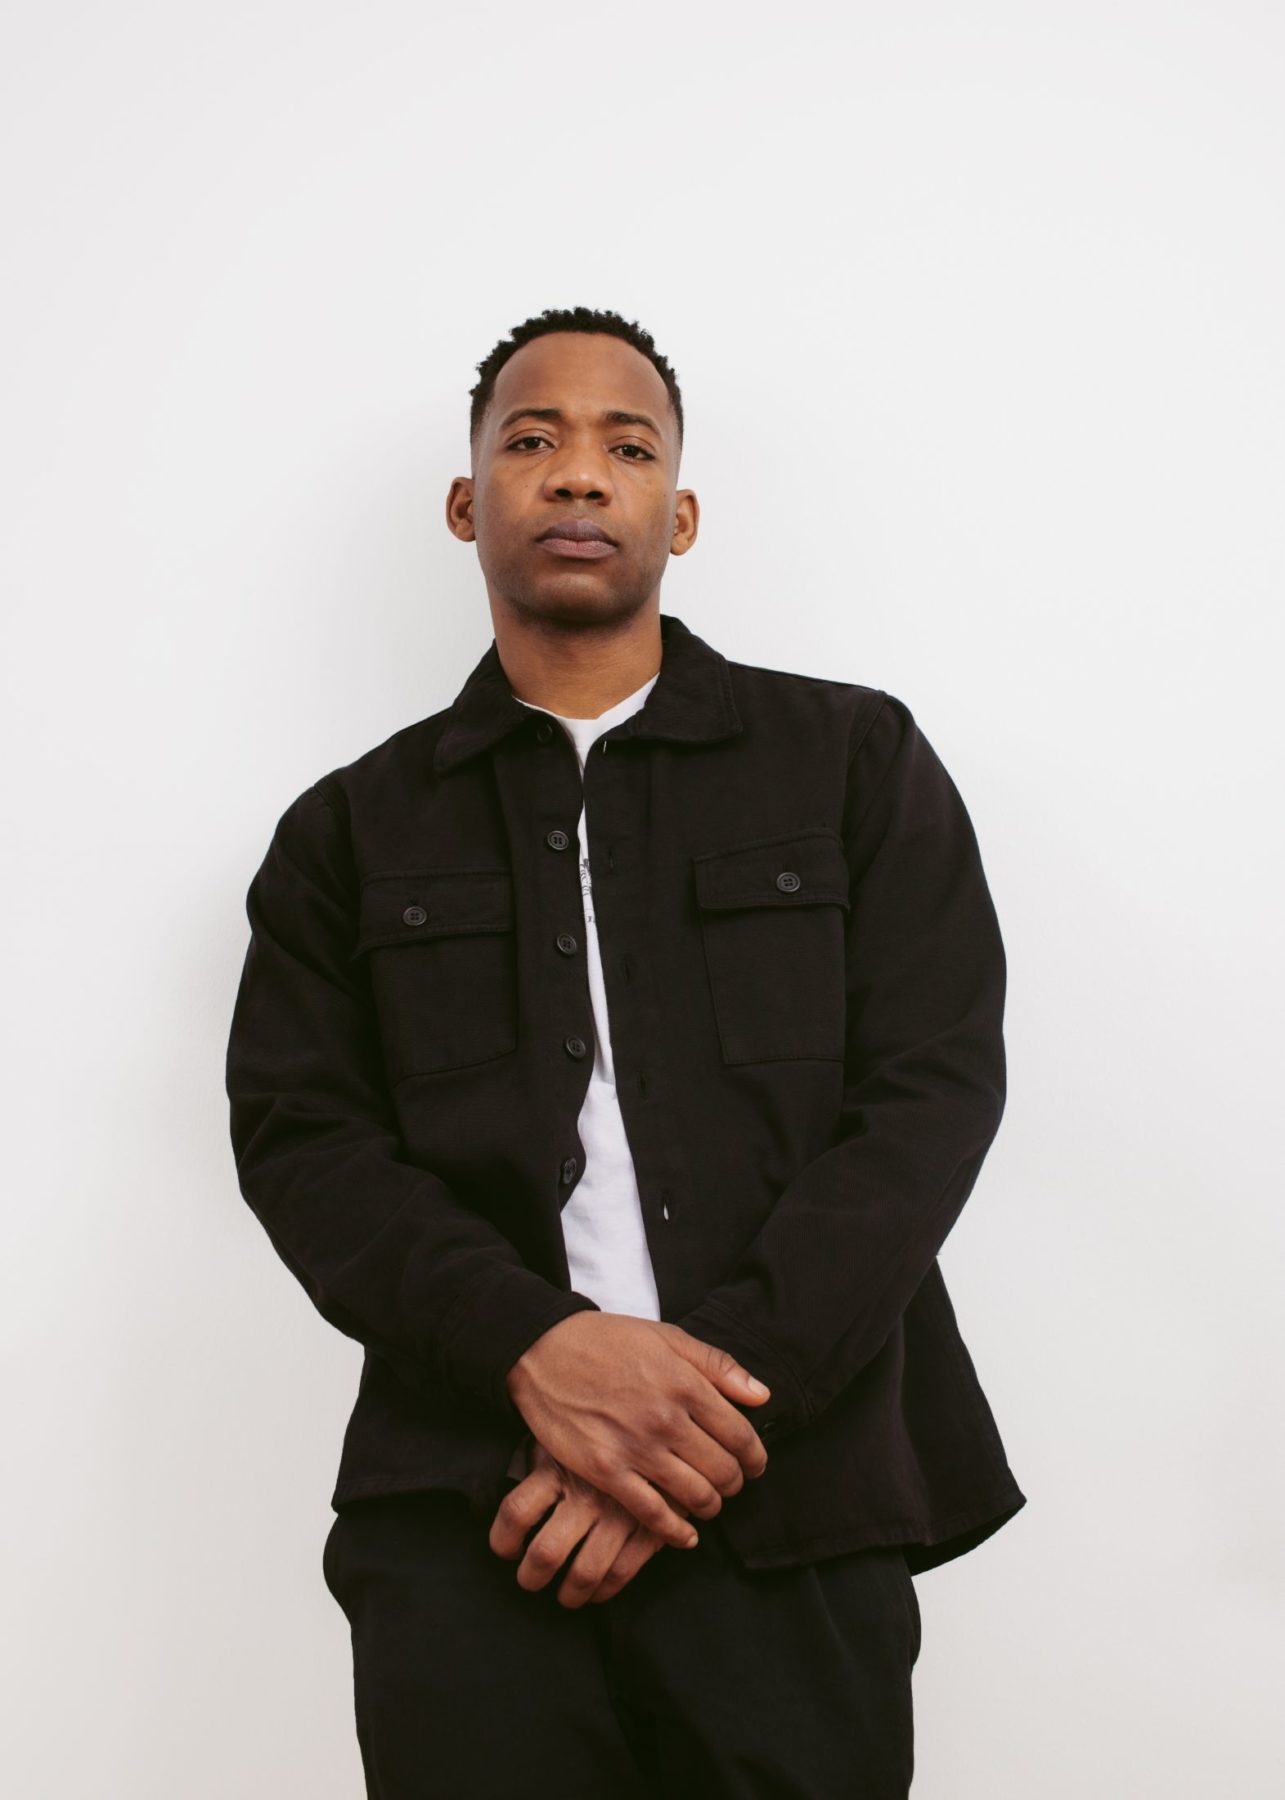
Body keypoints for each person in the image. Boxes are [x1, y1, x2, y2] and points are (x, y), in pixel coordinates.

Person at [225, 304, 1027, 1798]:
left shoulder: (854, 762)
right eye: (531, 439)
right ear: (467, 502)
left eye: (628, 446)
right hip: (473, 1515)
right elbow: (305, 1144)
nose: (579, 473)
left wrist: (697, 1411)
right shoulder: (347, 831)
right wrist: (536, 1354)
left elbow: (928, 1095)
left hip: (792, 1499)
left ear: (682, 511)